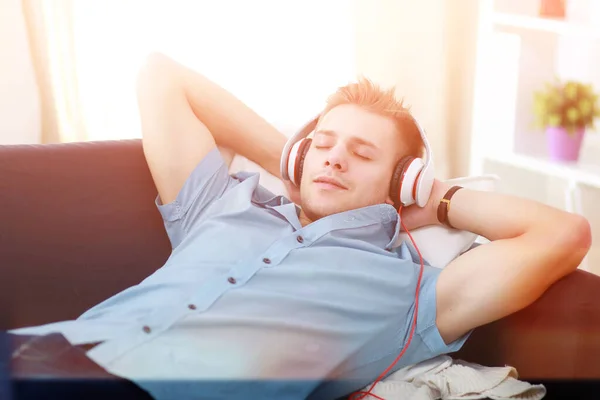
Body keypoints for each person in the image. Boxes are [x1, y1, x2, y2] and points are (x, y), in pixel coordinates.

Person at [7, 52, 592, 400]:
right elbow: (161, 75)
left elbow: (564, 235)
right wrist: (289, 160)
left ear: (401, 180)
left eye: (362, 154)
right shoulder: (224, 205)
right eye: (324, 144)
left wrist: (434, 197)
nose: (334, 158)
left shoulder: (410, 294)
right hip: (36, 356)